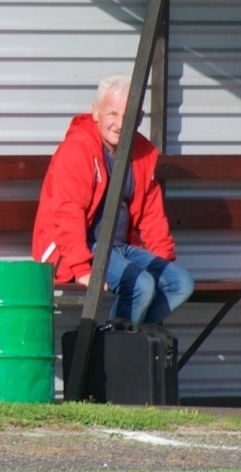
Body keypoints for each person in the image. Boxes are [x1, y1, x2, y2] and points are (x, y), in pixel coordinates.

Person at [32, 76, 194, 325]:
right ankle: (114, 354)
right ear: (96, 113)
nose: (119, 124)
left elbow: (152, 216)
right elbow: (68, 213)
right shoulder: (77, 149)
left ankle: (132, 339)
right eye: (112, 114)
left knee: (180, 284)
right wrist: (82, 268)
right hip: (81, 248)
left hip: (120, 247)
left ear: (139, 118)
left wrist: (162, 261)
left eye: (127, 116)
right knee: (140, 285)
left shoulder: (142, 153)